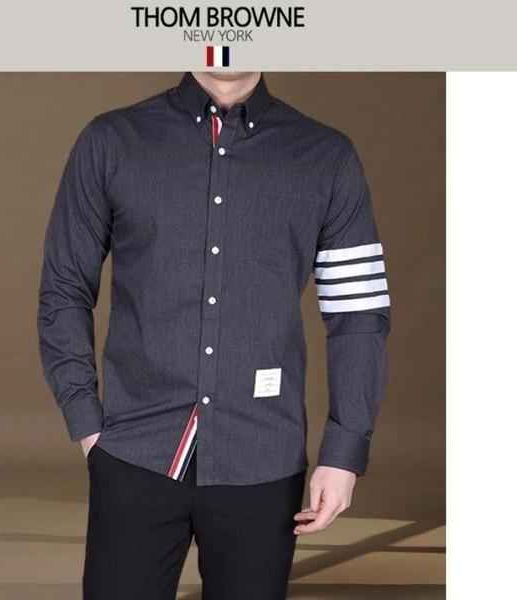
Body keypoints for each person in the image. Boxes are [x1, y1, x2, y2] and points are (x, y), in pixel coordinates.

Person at [37, 71, 390, 600]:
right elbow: (64, 288)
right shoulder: (111, 141)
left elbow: (358, 313)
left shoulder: (326, 156)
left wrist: (344, 452)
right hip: (135, 452)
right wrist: (86, 420)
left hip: (263, 458)